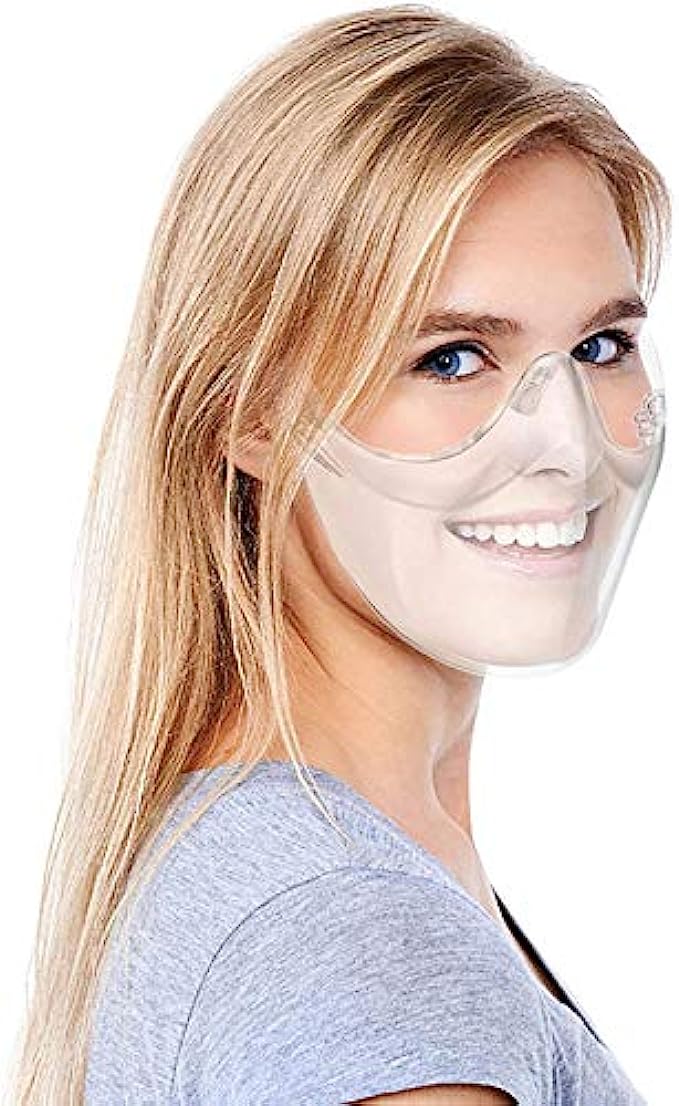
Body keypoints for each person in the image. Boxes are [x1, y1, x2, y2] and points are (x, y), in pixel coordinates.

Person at [7, 6, 671, 1105]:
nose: (566, 442)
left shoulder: (301, 857)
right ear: (251, 413)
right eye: (450, 357)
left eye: (602, 346)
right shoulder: (357, 935)